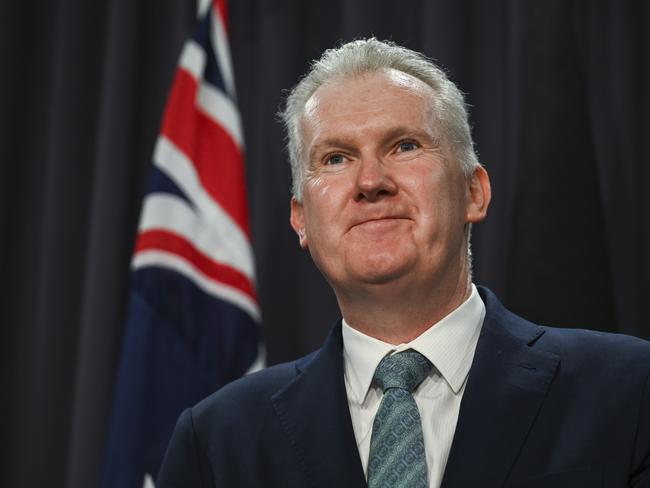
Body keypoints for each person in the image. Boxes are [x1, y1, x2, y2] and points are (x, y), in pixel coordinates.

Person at [157, 38, 650, 487]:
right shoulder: (218, 442)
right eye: (335, 158)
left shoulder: (628, 392)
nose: (371, 181)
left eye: (405, 146)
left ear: (473, 192)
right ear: (302, 219)